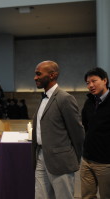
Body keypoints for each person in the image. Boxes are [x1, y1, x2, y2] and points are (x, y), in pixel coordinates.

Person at [32, 60, 85, 199]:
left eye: (38, 74)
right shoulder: (43, 98)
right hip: (40, 156)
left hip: (61, 160)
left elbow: (78, 133)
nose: (35, 77)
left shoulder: (65, 98)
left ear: (52, 75)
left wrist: (73, 158)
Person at [81, 67, 110, 199]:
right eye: (88, 82)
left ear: (105, 80)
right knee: (87, 196)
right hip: (87, 160)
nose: (90, 85)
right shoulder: (89, 102)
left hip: (106, 162)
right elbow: (86, 126)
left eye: (94, 81)